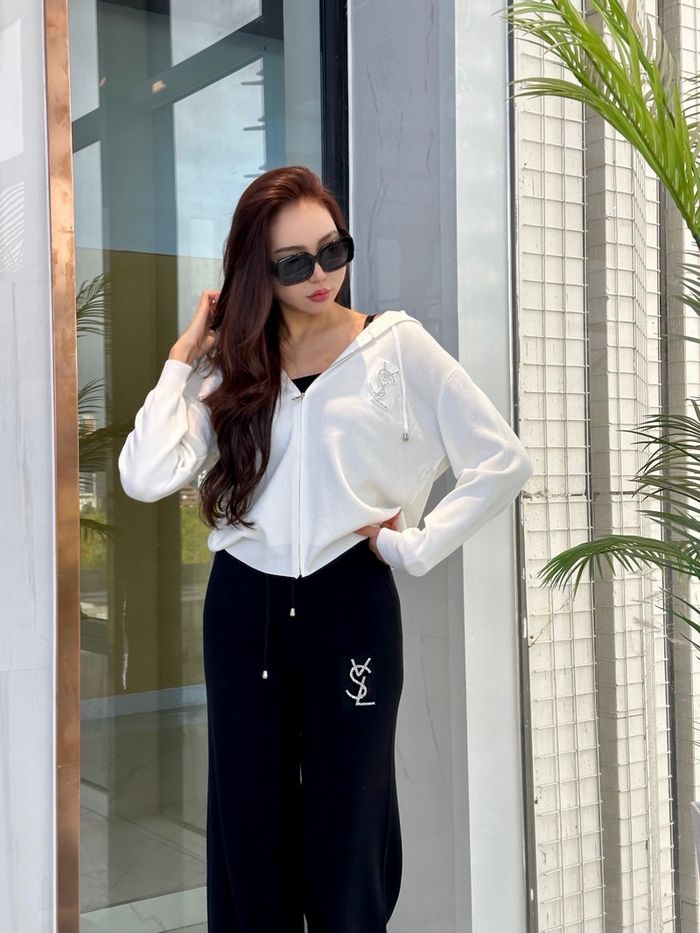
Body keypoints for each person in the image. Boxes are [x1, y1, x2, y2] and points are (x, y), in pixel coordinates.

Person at [118, 164, 534, 933]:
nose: (320, 275)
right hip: (245, 605)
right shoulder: (233, 364)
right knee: (249, 822)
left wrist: (413, 548)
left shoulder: (396, 345)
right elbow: (144, 476)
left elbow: (502, 460)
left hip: (351, 603)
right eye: (294, 263)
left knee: (350, 821)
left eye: (333, 251)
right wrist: (184, 354)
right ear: (258, 270)